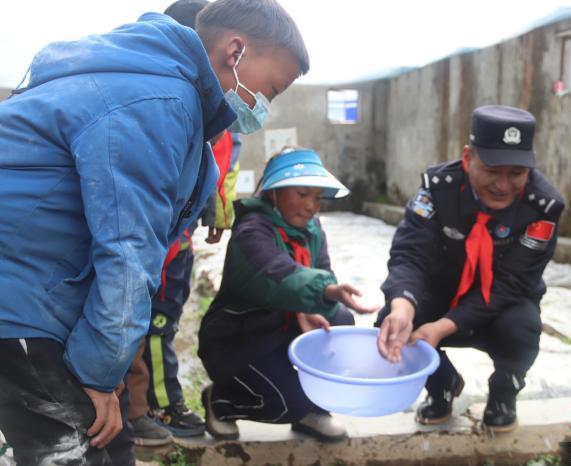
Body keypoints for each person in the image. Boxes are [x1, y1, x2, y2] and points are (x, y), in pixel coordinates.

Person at [0, 0, 309, 462]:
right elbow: (129, 252)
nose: (264, 106)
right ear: (236, 51)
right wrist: (97, 375)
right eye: (272, 89)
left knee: (111, 442)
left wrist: (105, 371)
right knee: (71, 449)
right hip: (20, 295)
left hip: (47, 289)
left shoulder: (170, 99)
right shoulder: (157, 104)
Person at [376, 105, 565, 432]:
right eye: (492, 170)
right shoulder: (437, 190)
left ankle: (504, 392)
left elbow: (512, 283)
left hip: (502, 305)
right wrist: (403, 306)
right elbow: (410, 254)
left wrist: (443, 327)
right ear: (468, 157)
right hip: (443, 294)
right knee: (390, 322)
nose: (503, 185)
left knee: (522, 328)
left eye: (516, 173)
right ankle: (442, 384)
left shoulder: (542, 207)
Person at [198, 148, 377, 441]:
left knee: (339, 319)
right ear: (273, 193)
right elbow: (276, 273)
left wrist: (313, 305)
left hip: (282, 326)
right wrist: (325, 290)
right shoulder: (251, 231)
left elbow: (321, 269)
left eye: (317, 198)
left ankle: (315, 411)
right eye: (302, 194)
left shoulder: (312, 229)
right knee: (287, 404)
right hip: (242, 338)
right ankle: (222, 401)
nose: (310, 206)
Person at [125, 0, 244, 443]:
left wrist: (218, 211)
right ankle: (158, 404)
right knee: (152, 325)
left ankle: (151, 402)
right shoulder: (163, 107)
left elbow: (220, 164)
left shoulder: (218, 112)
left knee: (164, 320)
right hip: (154, 247)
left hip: (179, 242)